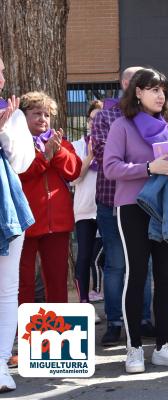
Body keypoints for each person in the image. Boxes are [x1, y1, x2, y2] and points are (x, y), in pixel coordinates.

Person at [104, 67, 168, 373]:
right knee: (137, 274)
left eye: (163, 90)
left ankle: (163, 346)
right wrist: (149, 167)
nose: (160, 95)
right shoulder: (122, 126)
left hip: (167, 210)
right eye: (153, 89)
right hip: (131, 207)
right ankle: (134, 348)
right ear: (137, 92)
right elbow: (111, 168)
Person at [91, 66, 155, 346]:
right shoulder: (107, 116)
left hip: (150, 203)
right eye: (143, 83)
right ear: (128, 84)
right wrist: (150, 164)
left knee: (146, 265)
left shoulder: (156, 118)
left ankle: (142, 319)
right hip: (112, 200)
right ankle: (115, 322)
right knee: (116, 264)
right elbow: (108, 156)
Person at [18, 92, 82, 304]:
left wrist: (57, 152)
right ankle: (20, 329)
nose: (42, 119)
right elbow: (22, 173)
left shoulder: (59, 142)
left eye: (46, 114)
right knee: (22, 280)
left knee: (57, 279)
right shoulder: (15, 143)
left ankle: (56, 327)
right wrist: (45, 156)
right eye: (36, 113)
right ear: (23, 116)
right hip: (24, 222)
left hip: (58, 223)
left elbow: (74, 171)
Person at [0, 56, 35, 393]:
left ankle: (0, 364)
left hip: (6, 208)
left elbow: (23, 161)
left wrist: (5, 133)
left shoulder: (13, 115)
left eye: (0, 72)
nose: (0, 78)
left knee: (7, 289)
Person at [72, 100, 103, 323]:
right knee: (83, 256)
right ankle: (84, 303)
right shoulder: (76, 146)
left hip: (108, 209)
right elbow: (74, 177)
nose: (94, 123)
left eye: (99, 119)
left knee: (107, 259)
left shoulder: (114, 143)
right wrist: (91, 155)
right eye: (92, 119)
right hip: (84, 210)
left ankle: (113, 305)